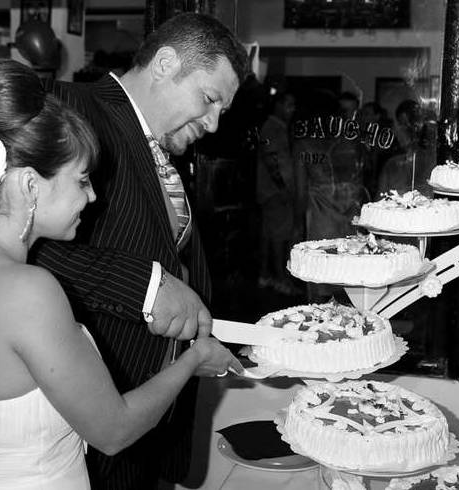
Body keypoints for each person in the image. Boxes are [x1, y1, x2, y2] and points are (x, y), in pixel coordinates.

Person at [0, 59, 242, 490]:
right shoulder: (29, 290)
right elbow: (114, 432)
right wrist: (193, 359)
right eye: (82, 179)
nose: (92, 195)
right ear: (31, 185)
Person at [30, 12, 249, 489]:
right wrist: (148, 289)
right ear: (166, 63)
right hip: (90, 427)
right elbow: (20, 244)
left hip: (149, 425)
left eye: (222, 112)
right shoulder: (74, 107)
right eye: (209, 100)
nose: (213, 125)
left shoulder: (160, 148)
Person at [256, 91, 298, 295]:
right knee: (279, 238)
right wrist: (283, 189)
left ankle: (266, 275)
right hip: (275, 192)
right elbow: (271, 160)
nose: (293, 110)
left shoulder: (276, 127)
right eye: (289, 104)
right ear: (278, 105)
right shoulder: (273, 128)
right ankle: (281, 279)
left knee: (269, 235)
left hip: (270, 191)